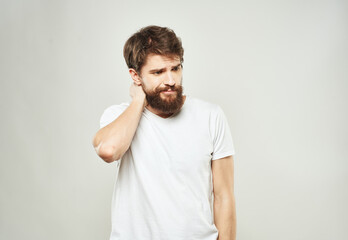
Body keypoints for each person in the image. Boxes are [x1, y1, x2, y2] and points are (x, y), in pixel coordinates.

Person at [92, 25, 236, 240]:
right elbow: (109, 150)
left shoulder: (210, 116)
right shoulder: (119, 116)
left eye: (175, 68)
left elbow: (224, 196)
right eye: (158, 72)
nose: (171, 80)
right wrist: (138, 101)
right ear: (136, 76)